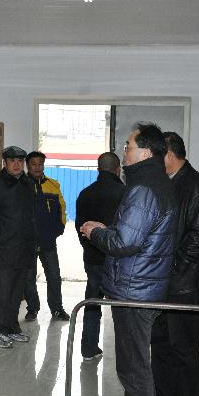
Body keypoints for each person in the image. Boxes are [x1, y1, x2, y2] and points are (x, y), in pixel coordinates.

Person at [80, 123, 178, 396]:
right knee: (137, 368)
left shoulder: (143, 189)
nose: (124, 152)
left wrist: (95, 232)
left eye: (128, 146)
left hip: (135, 292)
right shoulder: (156, 182)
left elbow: (125, 243)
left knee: (133, 372)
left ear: (145, 152)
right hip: (143, 286)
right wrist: (108, 229)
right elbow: (136, 233)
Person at [151, 132, 199, 396]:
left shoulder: (195, 184)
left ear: (170, 154)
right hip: (164, 280)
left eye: (157, 155)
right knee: (161, 339)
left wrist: (173, 265)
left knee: (184, 345)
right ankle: (166, 394)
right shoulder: (168, 182)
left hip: (184, 281)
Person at [0, 145, 37, 349]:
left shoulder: (29, 185)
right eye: (12, 161)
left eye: (20, 161)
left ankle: (12, 328)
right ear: (4, 163)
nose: (17, 165)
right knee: (1, 292)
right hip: (3, 250)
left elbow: (31, 216)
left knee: (16, 292)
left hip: (24, 249)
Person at [75, 152, 125, 361]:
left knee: (92, 302)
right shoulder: (126, 193)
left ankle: (88, 348)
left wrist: (90, 249)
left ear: (98, 169)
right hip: (119, 261)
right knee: (122, 308)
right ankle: (126, 353)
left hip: (93, 258)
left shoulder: (85, 193)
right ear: (118, 170)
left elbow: (80, 228)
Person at [24, 151, 71, 322]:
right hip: (27, 242)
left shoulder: (53, 185)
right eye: (33, 164)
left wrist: (58, 229)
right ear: (27, 166)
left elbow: (62, 210)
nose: (37, 168)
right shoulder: (20, 186)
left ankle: (57, 309)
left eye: (40, 164)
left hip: (48, 241)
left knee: (54, 276)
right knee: (28, 278)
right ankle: (32, 309)